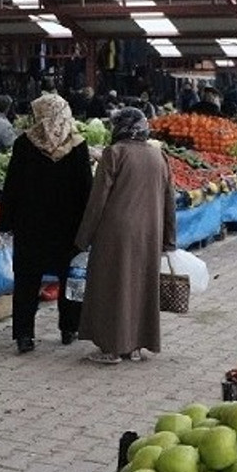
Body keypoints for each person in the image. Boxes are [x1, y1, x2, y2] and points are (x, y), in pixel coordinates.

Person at [74, 108, 177, 364]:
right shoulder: (158, 155)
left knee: (112, 287)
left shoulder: (114, 153)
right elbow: (169, 201)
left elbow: (97, 201)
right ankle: (134, 346)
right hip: (149, 232)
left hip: (116, 232)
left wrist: (83, 237)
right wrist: (169, 240)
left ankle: (111, 349)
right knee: (140, 287)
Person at [0, 94, 92, 355]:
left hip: (31, 225)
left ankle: (24, 335)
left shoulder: (25, 144)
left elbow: (12, 186)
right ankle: (69, 328)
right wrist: (88, 228)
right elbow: (86, 190)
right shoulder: (77, 146)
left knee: (27, 281)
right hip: (68, 226)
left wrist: (5, 221)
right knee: (69, 277)